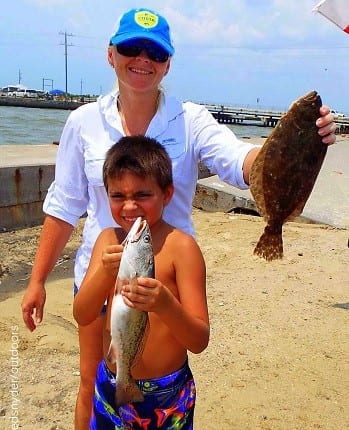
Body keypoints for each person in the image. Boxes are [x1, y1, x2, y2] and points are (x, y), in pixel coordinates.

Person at [21, 6, 337, 430]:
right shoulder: (83, 123)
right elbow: (63, 207)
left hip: (163, 276)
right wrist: (38, 280)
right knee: (92, 384)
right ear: (111, 54)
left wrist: (297, 144)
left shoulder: (192, 121)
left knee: (157, 377)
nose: (143, 60)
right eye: (132, 48)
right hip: (100, 271)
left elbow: (242, 163)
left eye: (155, 53)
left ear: (168, 63)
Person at [73, 135, 209, 429]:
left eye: (142, 195)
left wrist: (165, 304)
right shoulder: (107, 241)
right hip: (112, 382)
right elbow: (82, 314)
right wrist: (105, 274)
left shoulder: (182, 249)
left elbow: (199, 341)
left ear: (167, 193)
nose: (129, 206)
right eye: (118, 196)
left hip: (167, 394)